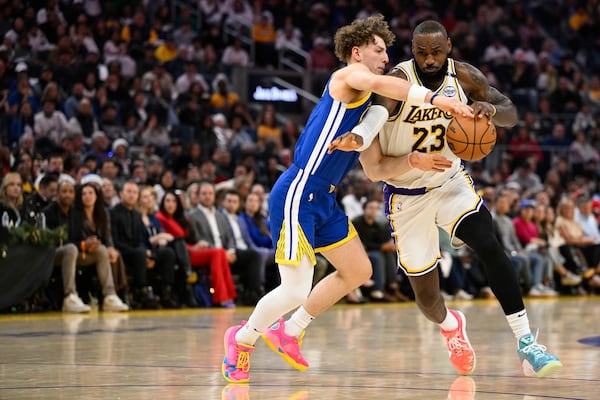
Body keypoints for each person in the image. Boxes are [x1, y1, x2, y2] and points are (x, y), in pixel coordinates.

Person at [222, 15, 473, 383]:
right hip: (298, 191)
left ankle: (289, 332)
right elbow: (377, 82)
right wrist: (437, 99)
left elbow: (374, 159)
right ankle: (241, 341)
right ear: (357, 52)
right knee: (295, 287)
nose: (386, 57)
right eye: (379, 49)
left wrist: (366, 140)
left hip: (324, 197)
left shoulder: (370, 102)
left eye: (387, 50)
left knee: (359, 271)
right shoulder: (348, 76)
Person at [328, 20, 561, 378]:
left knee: (490, 244)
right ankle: (451, 325)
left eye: (436, 51)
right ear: (413, 51)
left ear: (448, 47)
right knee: (428, 299)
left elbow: (510, 111)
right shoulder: (399, 81)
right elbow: (375, 116)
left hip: (450, 182)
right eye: (422, 52)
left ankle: (526, 341)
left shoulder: (465, 77)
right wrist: (359, 137)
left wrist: (491, 111)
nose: (430, 58)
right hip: (406, 197)